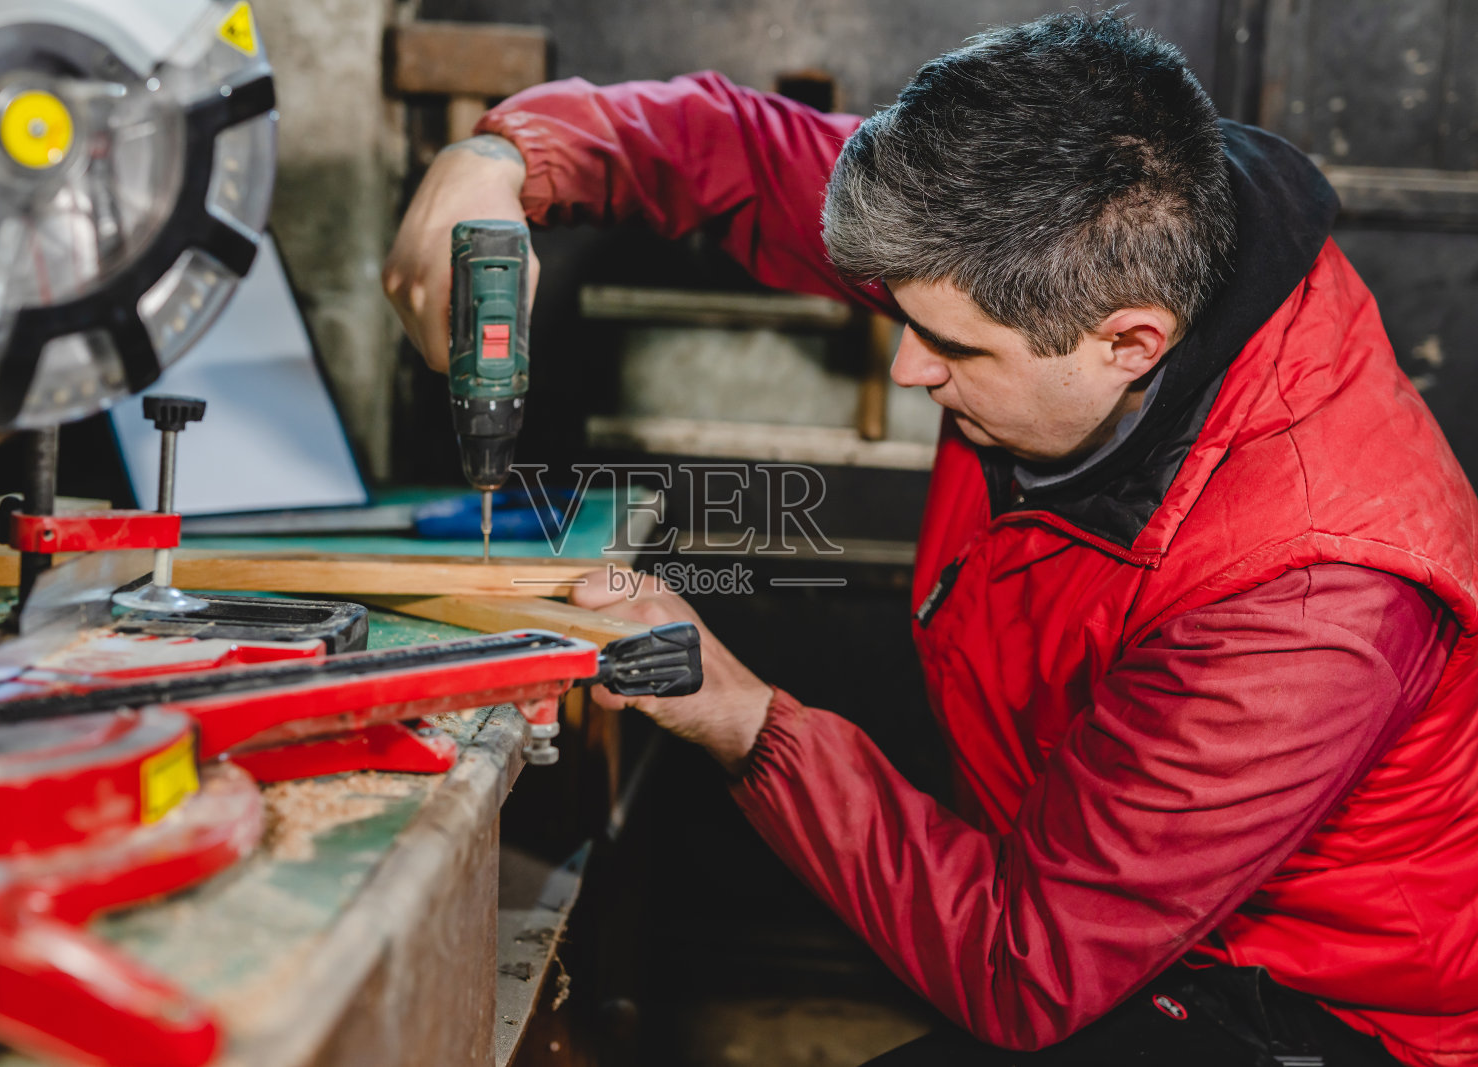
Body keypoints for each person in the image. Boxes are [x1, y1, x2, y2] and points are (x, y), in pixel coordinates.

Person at [383, 13, 1478, 1066]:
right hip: (1110, 902)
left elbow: (1027, 962)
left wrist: (746, 718)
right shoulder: (1049, 236)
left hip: (1326, 1006)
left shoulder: (1304, 604)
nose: (906, 366)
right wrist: (496, 156)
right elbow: (728, 147)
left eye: (948, 347)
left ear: (1127, 344)